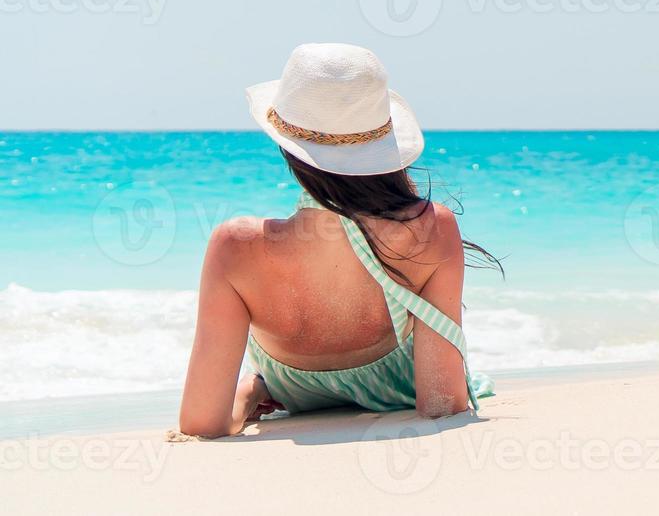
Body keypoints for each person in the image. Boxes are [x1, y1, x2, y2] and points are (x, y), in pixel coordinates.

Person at [178, 43, 496, 438]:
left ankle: (256, 387)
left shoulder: (236, 244)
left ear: (288, 147)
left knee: (252, 380)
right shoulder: (429, 228)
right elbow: (441, 405)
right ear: (383, 146)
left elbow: (200, 424)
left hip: (285, 394)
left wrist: (244, 398)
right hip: (397, 390)